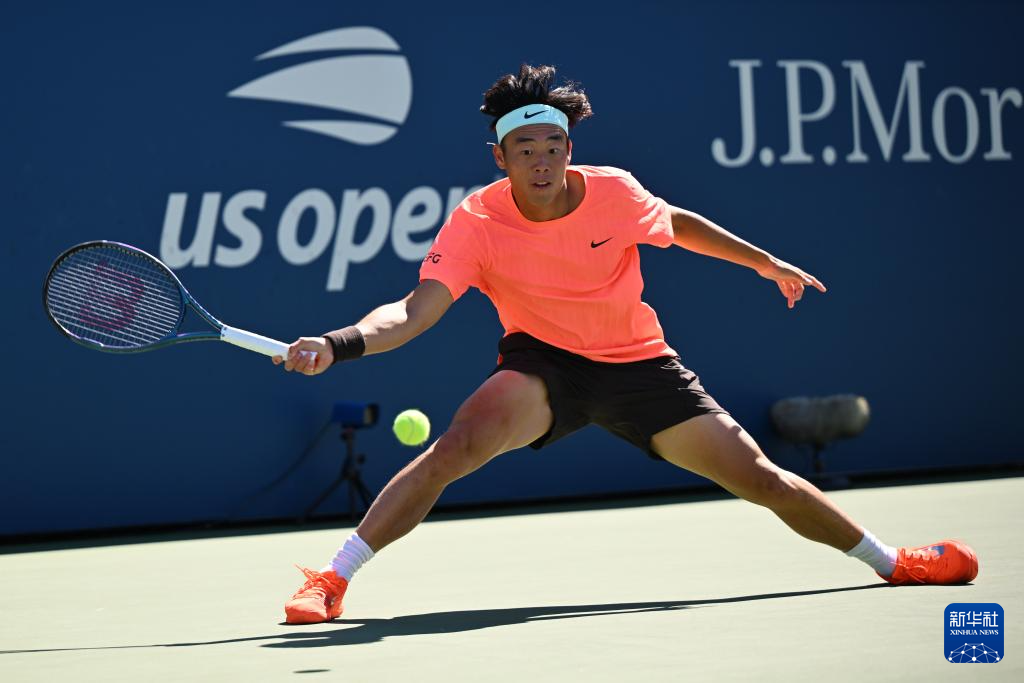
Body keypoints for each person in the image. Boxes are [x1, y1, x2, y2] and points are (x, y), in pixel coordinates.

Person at [272, 64, 978, 624]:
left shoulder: (613, 192)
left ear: (569, 150)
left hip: (642, 366)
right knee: (455, 447)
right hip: (545, 367)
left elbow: (677, 223)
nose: (542, 163)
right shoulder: (476, 222)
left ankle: (894, 562)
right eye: (526, 151)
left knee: (762, 478)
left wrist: (763, 261)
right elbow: (413, 311)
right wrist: (338, 343)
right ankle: (332, 578)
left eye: (553, 148)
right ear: (500, 157)